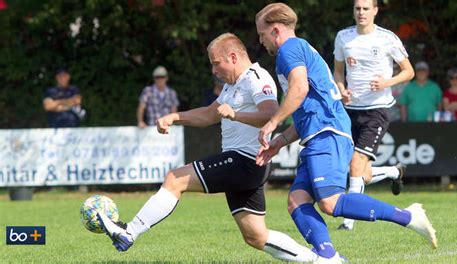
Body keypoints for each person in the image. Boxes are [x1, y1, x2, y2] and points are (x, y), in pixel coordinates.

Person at [97, 33, 319, 262]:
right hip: (245, 165)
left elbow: (271, 114)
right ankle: (320, 261)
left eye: (216, 63)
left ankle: (129, 232)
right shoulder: (232, 85)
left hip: (245, 161)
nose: (213, 71)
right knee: (255, 236)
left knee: (175, 179)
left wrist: (235, 114)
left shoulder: (256, 77)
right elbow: (208, 114)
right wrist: (174, 117)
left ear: (232, 57)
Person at [255, 3, 437, 262]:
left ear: (274, 30)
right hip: (319, 132)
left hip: (326, 134)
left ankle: (408, 216)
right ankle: (329, 256)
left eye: (261, 34)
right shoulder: (300, 48)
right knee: (297, 200)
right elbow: (307, 108)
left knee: (330, 203)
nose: (261, 41)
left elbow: (299, 90)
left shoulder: (289, 50)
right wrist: (282, 140)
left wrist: (272, 122)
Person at [332, 0, 414, 231]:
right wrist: (341, 89)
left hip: (377, 110)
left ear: (375, 11)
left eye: (366, 8)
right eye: (357, 8)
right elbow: (338, 72)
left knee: (356, 165)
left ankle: (349, 221)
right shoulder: (343, 37)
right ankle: (394, 171)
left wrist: (387, 82)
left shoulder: (387, 38)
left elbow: (409, 71)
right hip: (350, 111)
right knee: (359, 172)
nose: (361, 13)